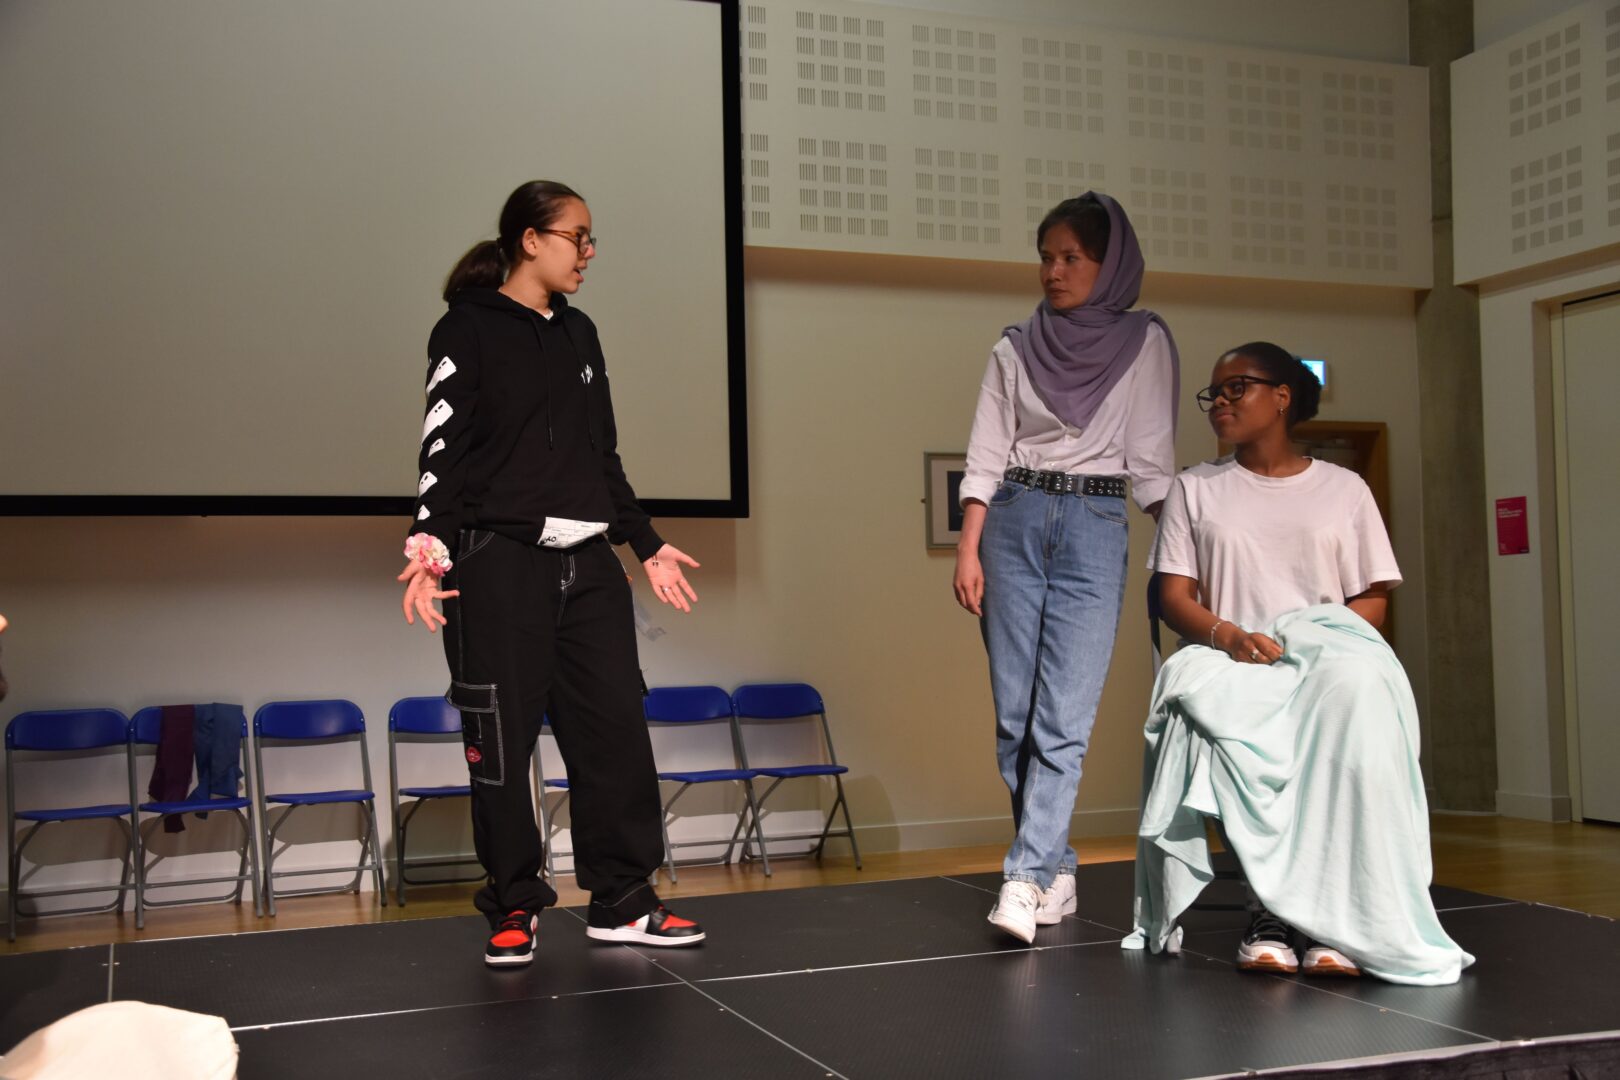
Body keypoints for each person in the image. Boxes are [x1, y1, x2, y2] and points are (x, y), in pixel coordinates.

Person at [398, 180, 705, 967]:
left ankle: (623, 899)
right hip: (496, 567)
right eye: (579, 237)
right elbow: (442, 449)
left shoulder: (581, 334)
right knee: (499, 747)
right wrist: (428, 549)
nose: (589, 253)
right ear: (530, 239)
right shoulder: (465, 328)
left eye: (591, 239)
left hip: (589, 569)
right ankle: (513, 906)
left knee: (614, 734)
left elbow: (602, 461)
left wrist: (645, 542)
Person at [1123, 342, 1474, 985]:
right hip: (1230, 656)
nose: (1220, 403)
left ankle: (1334, 916)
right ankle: (1270, 913)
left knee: (1357, 698)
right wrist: (1229, 636)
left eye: (1237, 388)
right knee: (1226, 713)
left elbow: (1370, 599)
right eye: (1214, 394)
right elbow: (1174, 597)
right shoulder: (1196, 488)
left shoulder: (1344, 489)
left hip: (1323, 658)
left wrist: (1311, 641)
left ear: (1282, 396)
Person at [954, 192, 1179, 943]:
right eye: (1047, 257)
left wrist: (1191, 540)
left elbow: (1150, 464)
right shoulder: (1016, 344)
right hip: (1014, 520)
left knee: (1063, 719)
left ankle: (1022, 876)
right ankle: (1055, 867)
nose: (1055, 271)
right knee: (1015, 720)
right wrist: (968, 545)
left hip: (1094, 523)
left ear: (1107, 263)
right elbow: (986, 452)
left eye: (1071, 258)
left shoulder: (1145, 342)